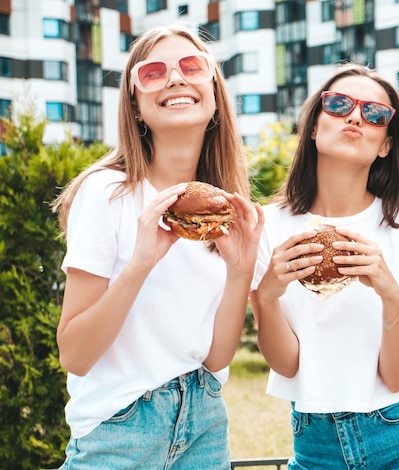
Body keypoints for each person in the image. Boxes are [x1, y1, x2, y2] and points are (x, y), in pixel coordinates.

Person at [52, 24, 263, 468]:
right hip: (119, 431)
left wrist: (241, 271)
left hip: (204, 424)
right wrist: (140, 264)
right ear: (135, 104)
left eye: (191, 66)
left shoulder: (223, 212)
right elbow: (75, 354)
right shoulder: (107, 193)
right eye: (153, 72)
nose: (174, 78)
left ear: (214, 93)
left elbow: (216, 358)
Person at [250, 63, 399, 469]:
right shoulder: (267, 228)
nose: (355, 116)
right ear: (313, 127)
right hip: (315, 443)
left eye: (375, 113)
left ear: (385, 144)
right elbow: (286, 364)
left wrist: (388, 290)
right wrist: (270, 296)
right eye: (340, 103)